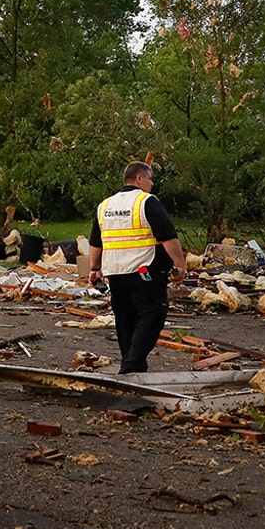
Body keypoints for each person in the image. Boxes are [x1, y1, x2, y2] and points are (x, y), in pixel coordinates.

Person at [88, 160, 186, 374]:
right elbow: (168, 237)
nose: (152, 184)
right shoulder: (146, 202)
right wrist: (180, 264)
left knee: (125, 318)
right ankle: (132, 364)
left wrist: (94, 268)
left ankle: (131, 365)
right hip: (144, 272)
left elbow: (96, 241)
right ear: (139, 179)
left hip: (115, 273)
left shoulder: (105, 205)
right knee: (153, 312)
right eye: (150, 179)